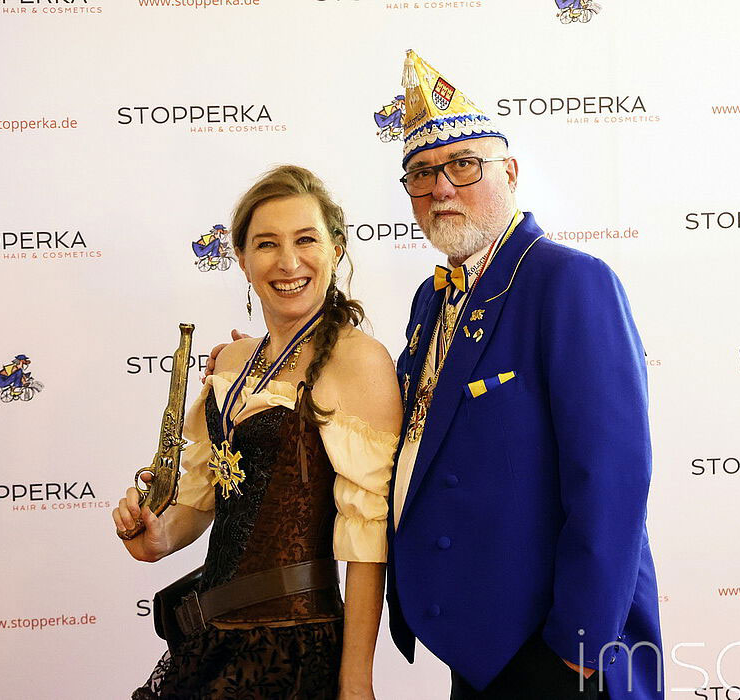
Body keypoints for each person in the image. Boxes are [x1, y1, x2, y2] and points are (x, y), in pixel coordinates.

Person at [388, 50, 660, 699]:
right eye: (421, 174)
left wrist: (580, 645)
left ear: (509, 172)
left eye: (463, 165)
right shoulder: (430, 300)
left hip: (558, 646)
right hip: (479, 643)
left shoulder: (569, 280)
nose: (441, 188)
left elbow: (612, 475)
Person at [114, 165, 401, 699]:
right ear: (242, 259)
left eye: (306, 240)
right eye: (267, 244)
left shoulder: (361, 361)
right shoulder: (234, 361)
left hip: (295, 650)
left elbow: (367, 540)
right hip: (208, 636)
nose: (288, 262)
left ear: (336, 249)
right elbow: (206, 499)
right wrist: (158, 536)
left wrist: (356, 680)